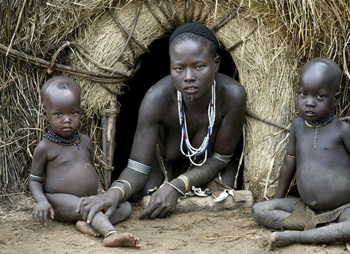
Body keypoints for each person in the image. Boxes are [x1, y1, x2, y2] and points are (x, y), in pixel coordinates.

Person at [76, 23, 247, 222]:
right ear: (170, 67)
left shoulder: (232, 95)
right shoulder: (157, 98)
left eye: (199, 66)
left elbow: (221, 158)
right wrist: (112, 194)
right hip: (165, 168)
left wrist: (178, 186)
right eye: (179, 68)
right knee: (147, 193)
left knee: (227, 185)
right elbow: (137, 167)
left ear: (216, 63)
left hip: (210, 169)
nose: (189, 77)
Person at [252, 57, 350, 249]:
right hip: (306, 207)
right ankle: (325, 230)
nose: (309, 103)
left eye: (319, 96)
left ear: (335, 98)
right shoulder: (298, 125)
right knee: (259, 209)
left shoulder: (342, 131)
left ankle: (295, 236)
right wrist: (278, 198)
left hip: (344, 209)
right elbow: (289, 163)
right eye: (303, 94)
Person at [29, 76, 141, 248]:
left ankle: (89, 223)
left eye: (73, 113)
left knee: (124, 206)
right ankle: (111, 234)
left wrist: (100, 191)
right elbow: (35, 180)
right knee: (86, 207)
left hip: (89, 198)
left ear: (80, 111)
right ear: (46, 114)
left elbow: (91, 169)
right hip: (60, 201)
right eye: (58, 114)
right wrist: (42, 201)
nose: (67, 119)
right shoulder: (45, 147)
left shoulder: (85, 141)